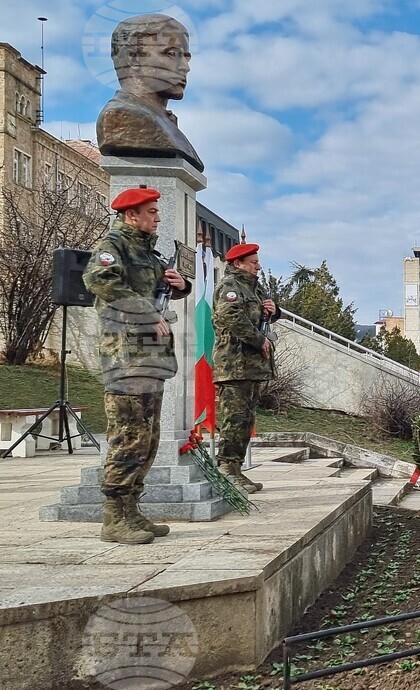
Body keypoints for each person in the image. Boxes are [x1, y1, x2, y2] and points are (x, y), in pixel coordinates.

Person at [82, 187, 191, 544]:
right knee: (128, 436)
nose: (158, 217)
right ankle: (113, 518)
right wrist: (146, 313)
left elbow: (161, 288)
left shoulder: (148, 252)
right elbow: (99, 280)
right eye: (152, 211)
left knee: (147, 439)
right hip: (125, 359)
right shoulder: (113, 246)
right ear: (132, 215)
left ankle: (131, 510)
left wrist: (181, 285)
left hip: (151, 359)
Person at [212, 242, 281, 493]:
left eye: (258, 262)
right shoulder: (230, 286)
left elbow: (259, 315)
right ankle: (226, 469)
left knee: (246, 419)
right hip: (234, 364)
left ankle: (236, 469)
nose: (258, 267)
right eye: (253, 262)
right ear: (238, 263)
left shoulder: (254, 287)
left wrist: (274, 311)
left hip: (251, 366)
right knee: (235, 419)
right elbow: (233, 318)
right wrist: (259, 340)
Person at [97, 14, 204, 171]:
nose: (185, 67)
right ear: (133, 58)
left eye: (186, 58)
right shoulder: (118, 116)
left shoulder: (164, 121)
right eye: (172, 54)